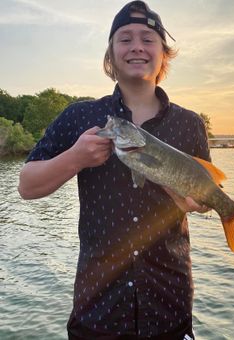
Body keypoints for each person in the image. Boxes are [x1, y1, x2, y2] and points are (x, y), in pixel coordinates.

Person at [18, 1, 211, 339]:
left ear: (164, 55)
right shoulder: (79, 116)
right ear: (110, 55)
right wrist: (75, 158)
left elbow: (203, 196)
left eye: (148, 39)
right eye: (125, 38)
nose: (136, 46)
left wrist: (199, 202)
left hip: (169, 306)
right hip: (98, 312)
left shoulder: (190, 124)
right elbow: (26, 186)